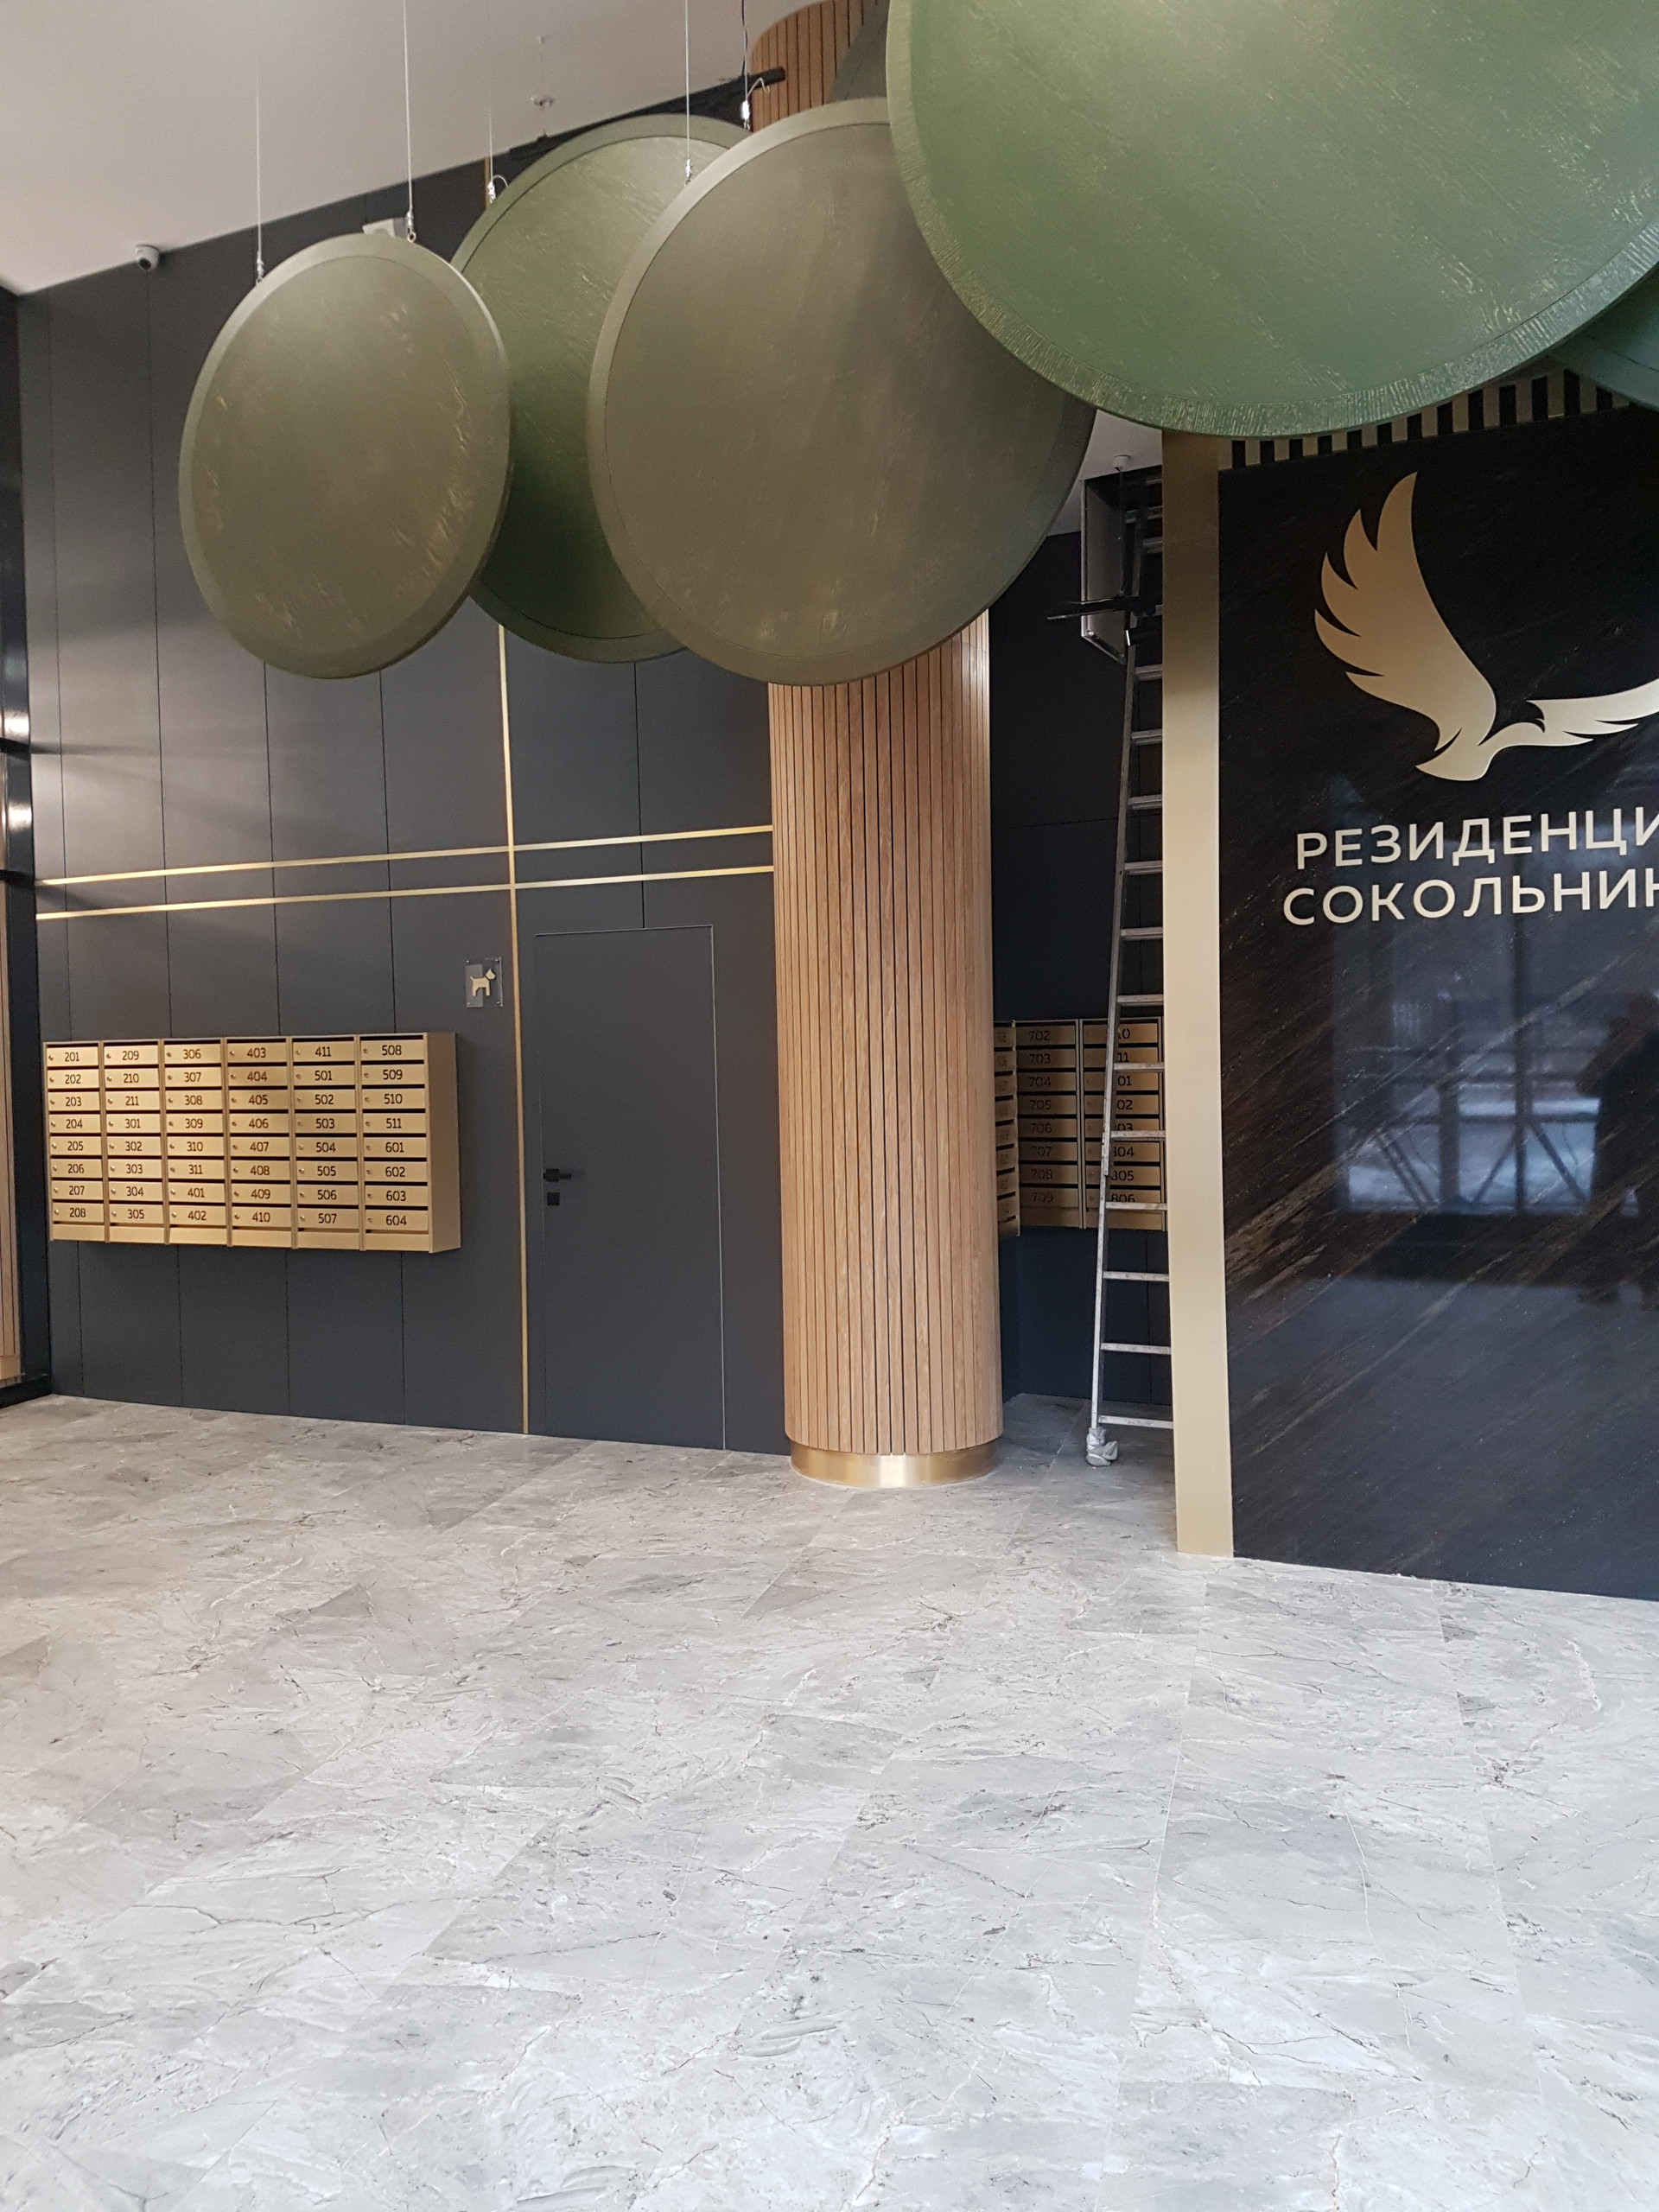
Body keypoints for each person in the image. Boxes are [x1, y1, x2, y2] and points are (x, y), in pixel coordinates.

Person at [1577, 992, 1659, 1305]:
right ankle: (1603, 1282)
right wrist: (1609, 1053)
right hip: (1616, 1142)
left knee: (1652, 1215)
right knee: (1604, 1215)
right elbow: (1585, 1086)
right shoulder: (1616, 1047)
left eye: (1643, 1014)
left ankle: (1652, 1285)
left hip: (1648, 1142)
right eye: (1632, 1013)